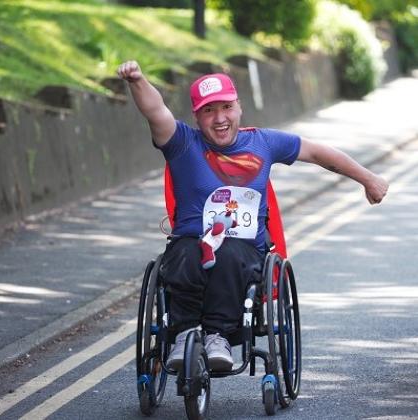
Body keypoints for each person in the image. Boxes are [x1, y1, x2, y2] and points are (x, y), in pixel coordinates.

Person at [117, 60, 389, 371]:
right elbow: (156, 111)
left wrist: (367, 178)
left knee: (231, 253)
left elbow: (317, 152)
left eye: (226, 107)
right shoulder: (182, 143)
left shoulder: (263, 142)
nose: (220, 118)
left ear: (239, 107)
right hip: (191, 241)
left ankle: (217, 335)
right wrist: (137, 80)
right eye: (209, 111)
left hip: (244, 248)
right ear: (197, 115)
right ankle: (184, 334)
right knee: (186, 253)